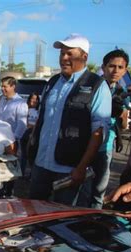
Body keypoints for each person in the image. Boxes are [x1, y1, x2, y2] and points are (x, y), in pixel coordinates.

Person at [27, 33, 111, 206]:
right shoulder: (52, 82)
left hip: (69, 170)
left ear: (84, 57)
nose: (64, 58)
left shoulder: (97, 85)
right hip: (41, 165)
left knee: (63, 220)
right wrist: (31, 148)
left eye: (69, 54)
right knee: (34, 213)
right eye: (62, 53)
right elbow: (42, 119)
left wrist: (81, 168)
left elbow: (99, 133)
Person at [78, 49, 130, 209]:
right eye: (111, 66)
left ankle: (93, 226)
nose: (115, 70)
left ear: (125, 70)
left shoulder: (122, 93)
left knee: (98, 192)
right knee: (81, 191)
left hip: (106, 148)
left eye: (120, 67)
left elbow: (124, 126)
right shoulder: (91, 86)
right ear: (104, 66)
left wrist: (121, 114)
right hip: (85, 146)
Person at [0, 76, 28, 197]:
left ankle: (8, 193)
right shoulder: (2, 100)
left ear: (13, 86)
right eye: (2, 86)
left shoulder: (20, 103)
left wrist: (12, 140)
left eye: (5, 86)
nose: (3, 89)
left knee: (9, 168)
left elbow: (22, 124)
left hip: (11, 141)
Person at [20, 93, 40, 177]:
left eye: (36, 99)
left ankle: (32, 175)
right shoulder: (25, 109)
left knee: (33, 155)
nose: (34, 101)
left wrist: (33, 127)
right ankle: (21, 172)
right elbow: (24, 122)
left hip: (34, 134)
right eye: (32, 98)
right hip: (25, 134)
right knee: (24, 154)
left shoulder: (39, 111)